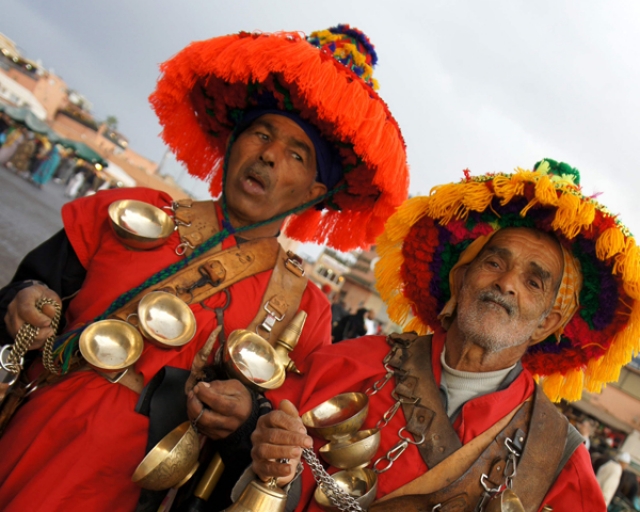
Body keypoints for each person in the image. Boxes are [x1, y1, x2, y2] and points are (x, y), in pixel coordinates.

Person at [0, 25, 408, 512]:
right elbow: (31, 283)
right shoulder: (129, 212)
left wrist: (243, 423)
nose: (269, 155)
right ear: (234, 144)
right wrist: (23, 300)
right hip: (24, 437)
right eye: (261, 133)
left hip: (126, 491)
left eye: (296, 154)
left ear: (312, 193)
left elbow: (275, 447)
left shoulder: (306, 308)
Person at [246, 160, 640, 511]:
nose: (505, 284)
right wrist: (265, 448)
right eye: (494, 262)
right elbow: (266, 465)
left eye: (533, 281)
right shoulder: (350, 365)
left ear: (547, 323)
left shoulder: (558, 459)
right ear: (460, 279)